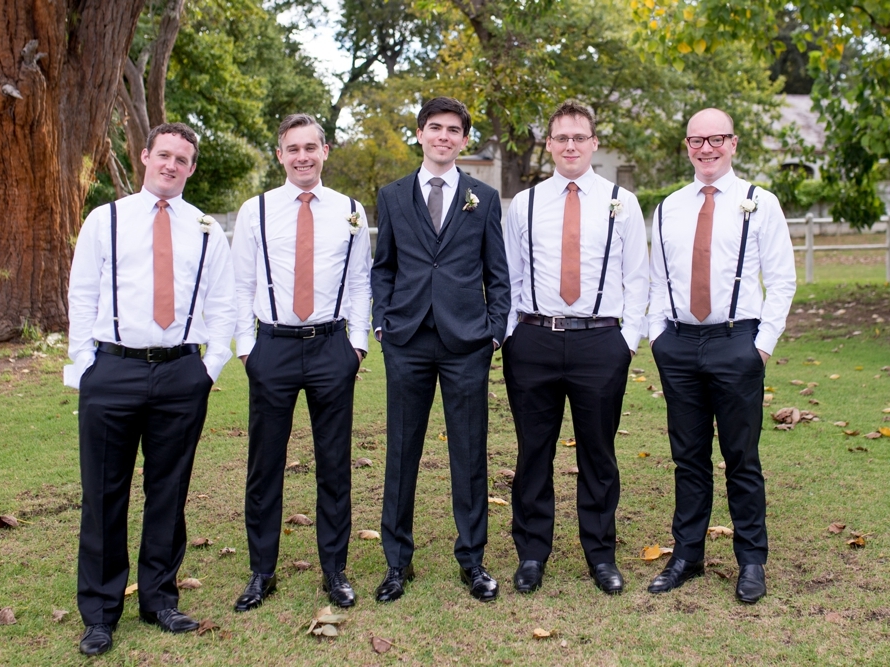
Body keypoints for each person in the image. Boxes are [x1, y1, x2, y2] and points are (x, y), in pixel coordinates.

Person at [65, 122, 237, 656]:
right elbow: (82, 292)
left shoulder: (207, 228)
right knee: (103, 493)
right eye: (164, 155)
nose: (171, 165)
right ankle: (100, 611)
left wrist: (210, 367)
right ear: (145, 157)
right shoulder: (105, 219)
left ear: (191, 168)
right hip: (112, 370)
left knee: (169, 490)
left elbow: (223, 302)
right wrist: (83, 369)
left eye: (182, 159)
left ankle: (159, 598)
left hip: (181, 374)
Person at [647, 108, 795, 604]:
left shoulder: (760, 202)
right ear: (686, 146)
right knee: (688, 457)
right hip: (679, 343)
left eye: (715, 139)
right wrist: (657, 336)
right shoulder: (668, 206)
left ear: (733, 143)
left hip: (738, 343)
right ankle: (687, 555)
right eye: (696, 140)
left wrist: (762, 344)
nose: (705, 149)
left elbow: (781, 279)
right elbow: (654, 278)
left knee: (741, 458)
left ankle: (751, 560)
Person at [501, 101, 649, 595]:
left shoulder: (621, 202)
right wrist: (511, 335)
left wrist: (626, 340)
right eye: (561, 138)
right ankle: (532, 552)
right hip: (534, 339)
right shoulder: (524, 204)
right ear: (549, 144)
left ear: (593, 144)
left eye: (579, 137)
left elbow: (637, 277)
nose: (570, 146)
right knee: (533, 452)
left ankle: (600, 553)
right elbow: (510, 276)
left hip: (600, 342)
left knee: (599, 454)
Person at [231, 114, 372, 612]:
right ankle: (261, 572)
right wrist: (247, 350)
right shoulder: (256, 211)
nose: (303, 156)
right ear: (280, 155)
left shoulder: (350, 211)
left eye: (311, 147)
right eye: (293, 148)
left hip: (332, 346)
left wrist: (356, 346)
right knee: (264, 464)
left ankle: (335, 570)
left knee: (334, 464)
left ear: (325, 151)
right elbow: (241, 284)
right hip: (272, 347)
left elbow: (360, 283)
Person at [371, 96, 510, 603]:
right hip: (406, 339)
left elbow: (498, 272)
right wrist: (382, 324)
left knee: (470, 453)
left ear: (464, 140)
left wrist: (494, 330)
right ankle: (396, 563)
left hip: (466, 342)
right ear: (420, 133)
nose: (444, 136)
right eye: (435, 127)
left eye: (454, 129)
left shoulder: (484, 198)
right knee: (401, 451)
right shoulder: (391, 195)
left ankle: (472, 560)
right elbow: (383, 265)